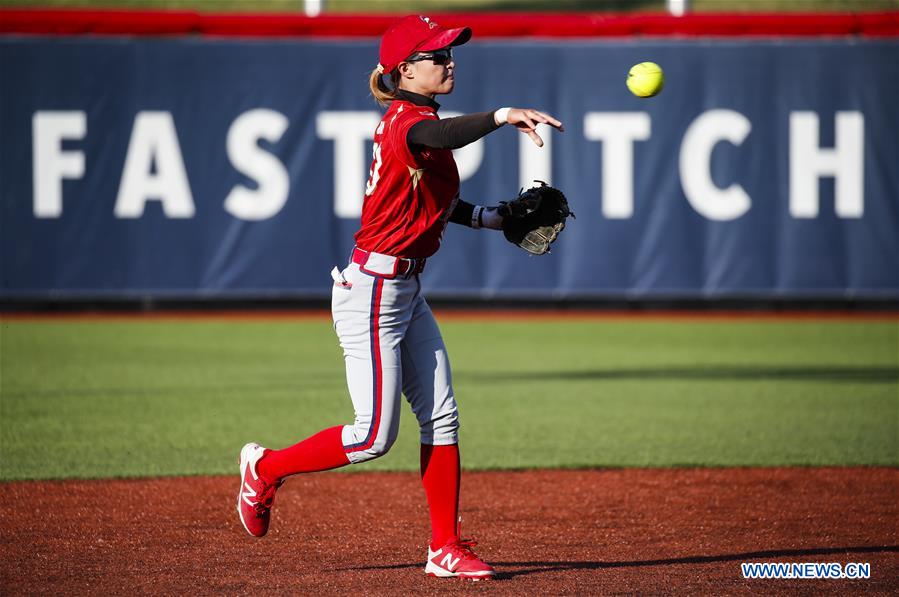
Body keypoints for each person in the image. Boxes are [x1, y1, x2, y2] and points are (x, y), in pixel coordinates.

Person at [237, 14, 563, 580]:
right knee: (372, 436)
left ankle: (444, 547)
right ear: (404, 70)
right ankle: (265, 468)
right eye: (437, 55)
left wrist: (489, 218)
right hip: (371, 292)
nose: (449, 62)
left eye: (449, 53)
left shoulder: (421, 123)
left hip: (406, 287)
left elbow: (432, 202)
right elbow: (439, 137)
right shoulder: (408, 122)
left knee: (442, 416)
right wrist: (503, 115)